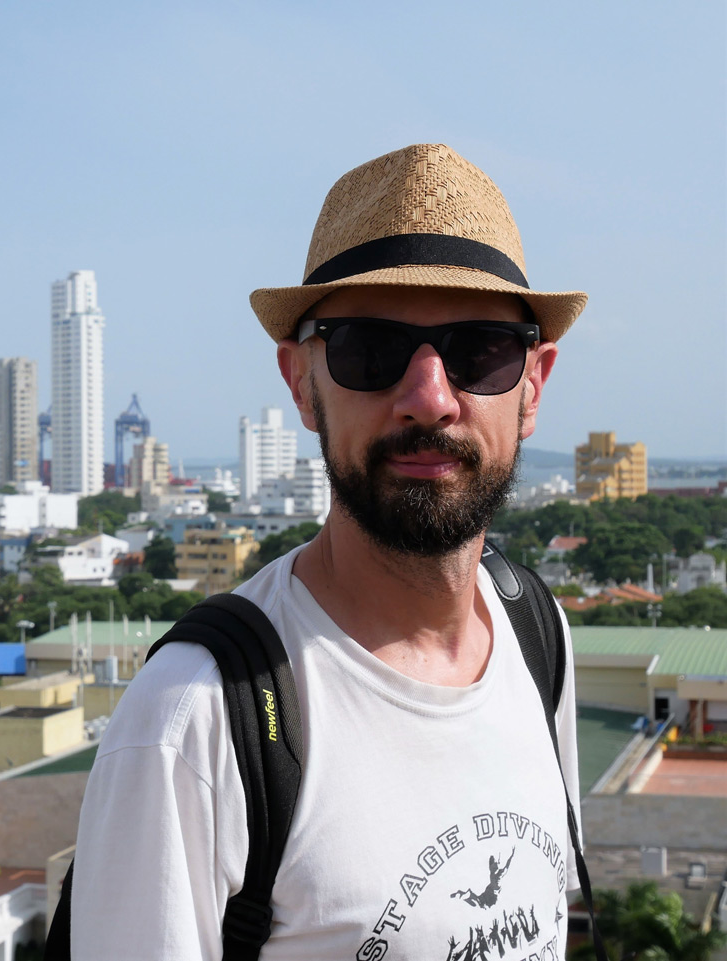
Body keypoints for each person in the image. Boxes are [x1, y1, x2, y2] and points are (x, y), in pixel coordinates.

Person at [70, 144, 587, 960]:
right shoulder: (196, 717)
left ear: (534, 384)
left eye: (481, 349)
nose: (429, 398)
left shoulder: (538, 637)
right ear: (301, 381)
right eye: (369, 351)